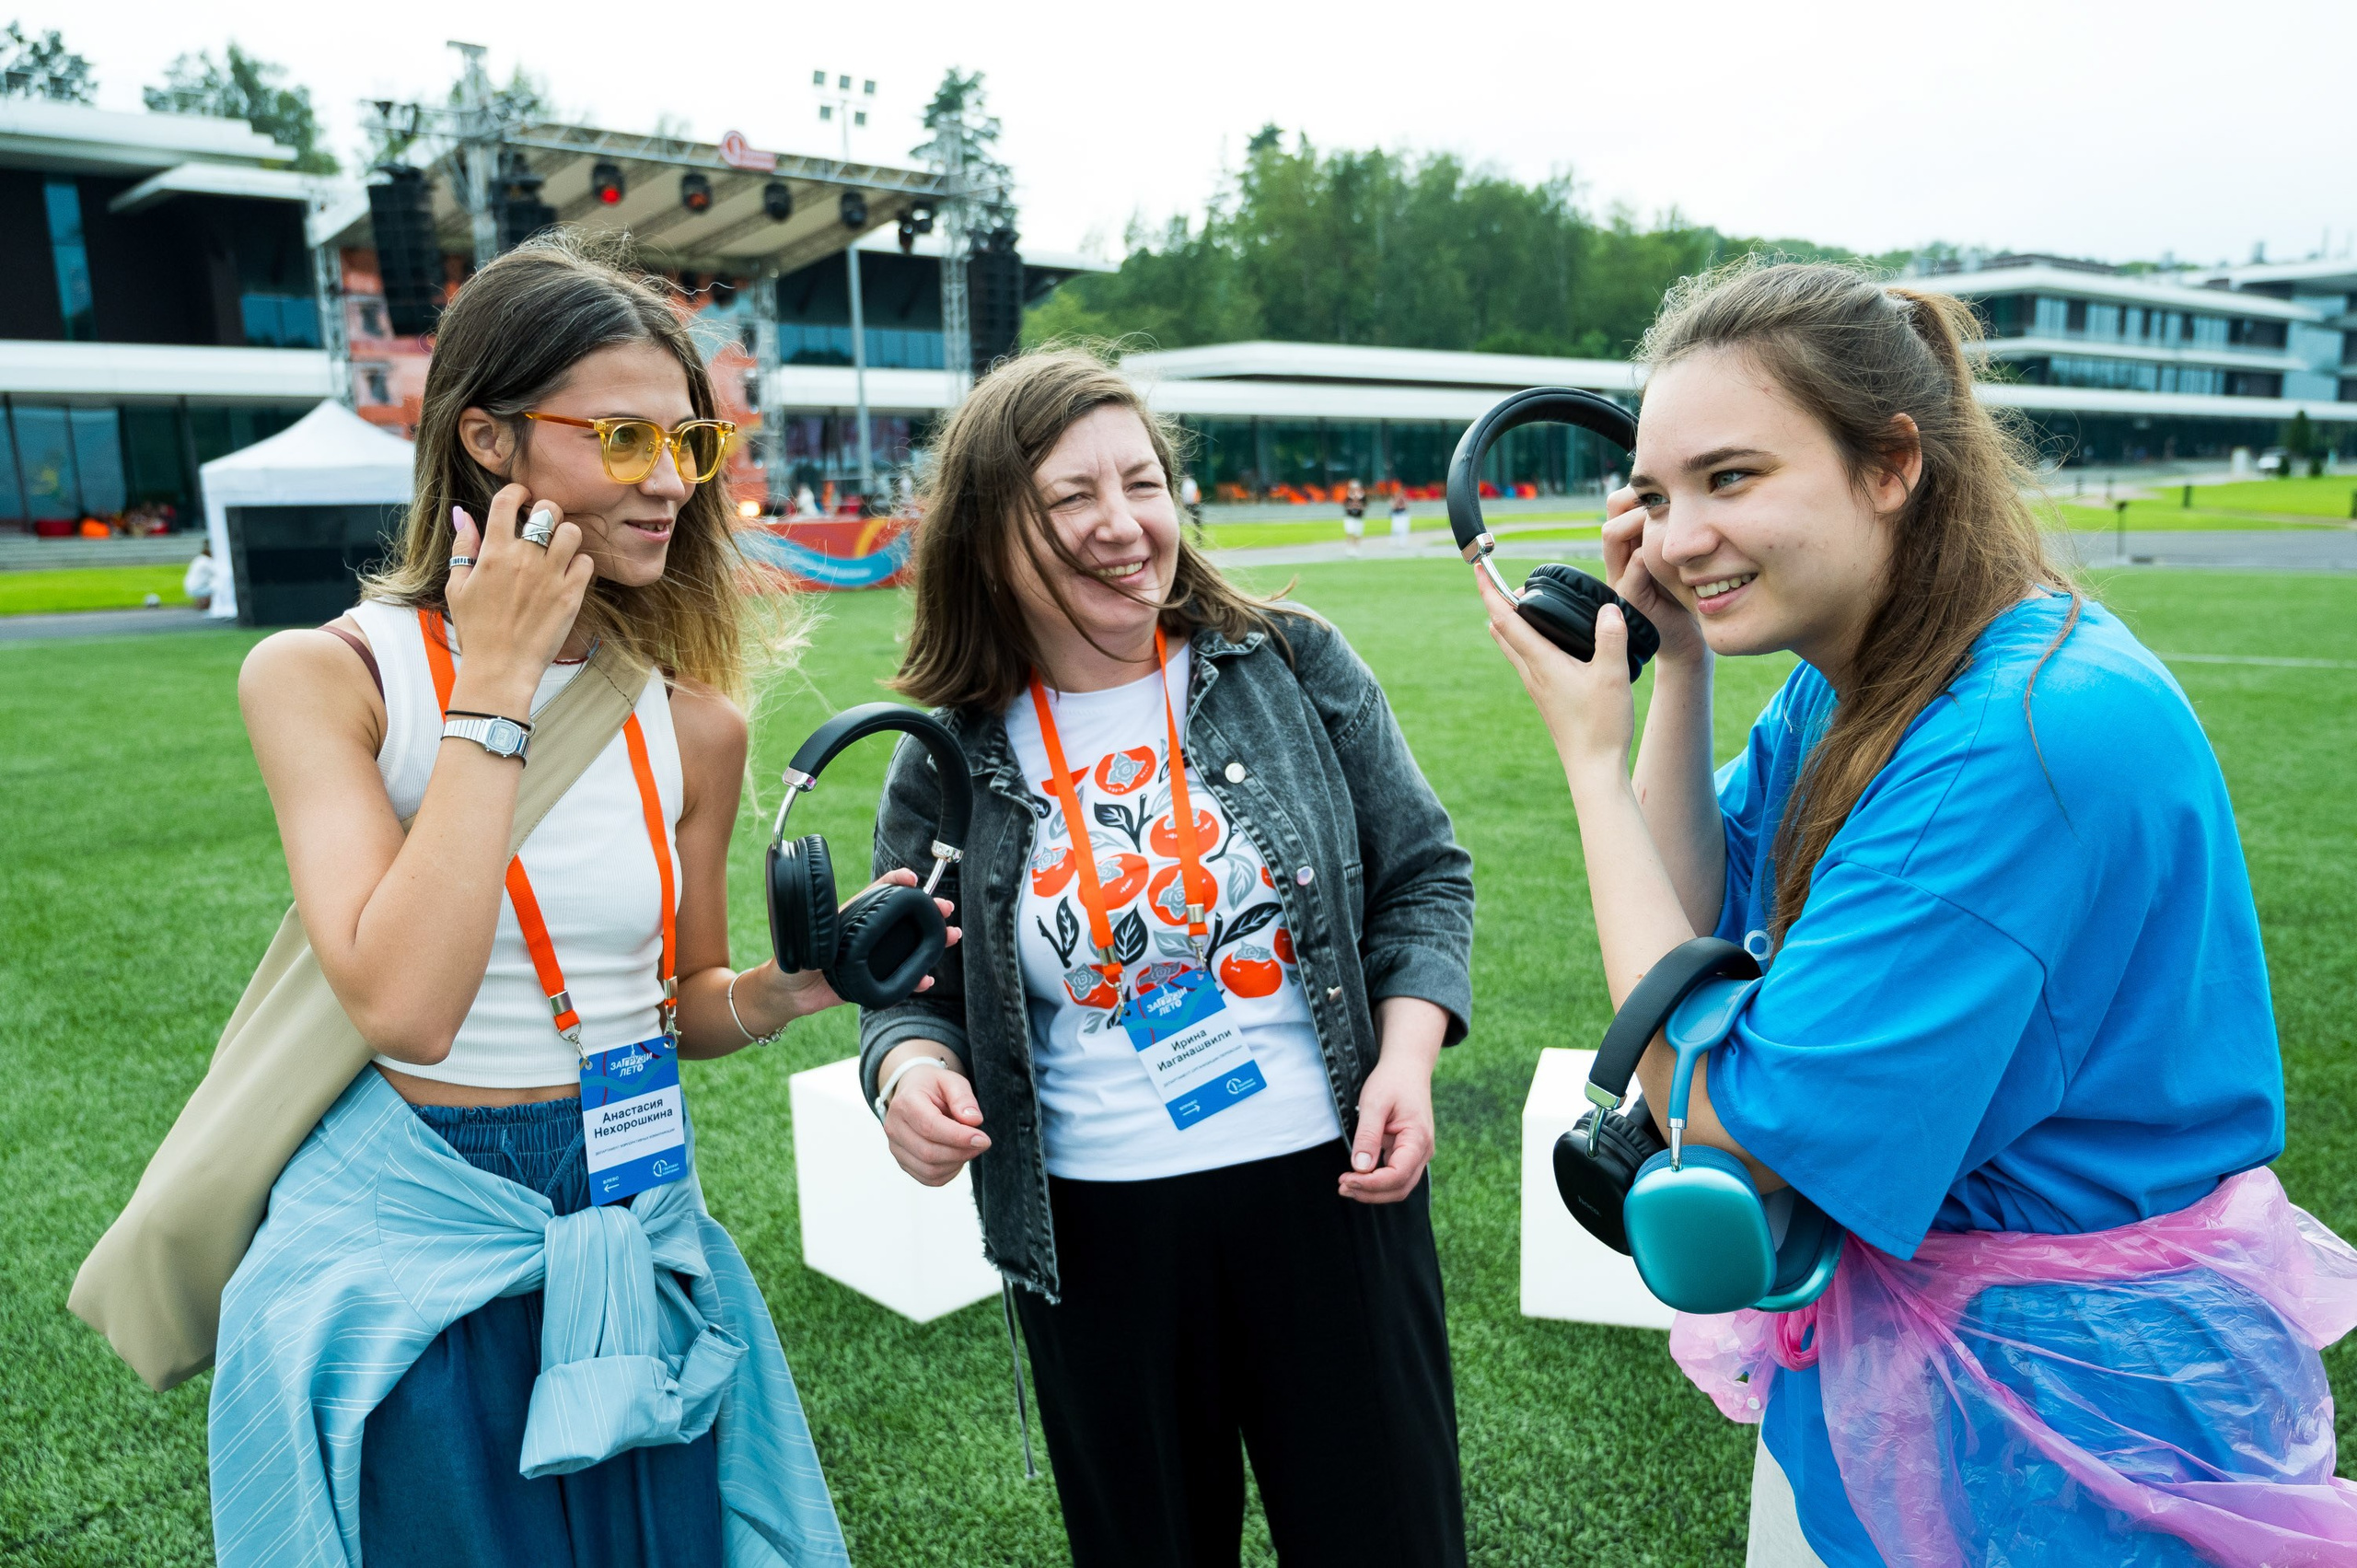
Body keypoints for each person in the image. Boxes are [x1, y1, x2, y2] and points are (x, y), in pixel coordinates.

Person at [1480, 260, 2357, 1566]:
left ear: (1893, 464)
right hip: (1964, 1365)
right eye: (1655, 498)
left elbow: (1722, 1106)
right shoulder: (1874, 671)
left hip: (2067, 1426)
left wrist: (1591, 767)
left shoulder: (2014, 737)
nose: (1673, 535)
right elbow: (1699, 903)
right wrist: (1663, 670)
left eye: (1731, 478)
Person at [212, 238, 946, 1566]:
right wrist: (494, 687)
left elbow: (686, 1005)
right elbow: (409, 1006)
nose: (668, 480)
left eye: (690, 443)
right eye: (620, 437)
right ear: (486, 438)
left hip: (636, 1215)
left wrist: (796, 985)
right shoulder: (329, 680)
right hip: (417, 1251)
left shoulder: (696, 727)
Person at [863, 349, 1476, 1567]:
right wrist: (903, 1072)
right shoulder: (948, 750)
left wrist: (1407, 1057)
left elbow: (1423, 872)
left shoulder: (1289, 660)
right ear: (989, 535)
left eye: (1141, 482)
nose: (1122, 524)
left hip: (1332, 1190)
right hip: (1096, 1235)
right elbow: (907, 982)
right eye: (1071, 497)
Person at [182, 540, 215, 610]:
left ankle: (201, 602)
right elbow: (217, 572)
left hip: (190, 587)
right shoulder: (206, 561)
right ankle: (208, 603)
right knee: (218, 585)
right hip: (197, 588)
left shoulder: (199, 559)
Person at [1340, 475, 1366, 554]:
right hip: (1350, 517)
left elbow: (1365, 505)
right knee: (1350, 532)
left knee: (1357, 533)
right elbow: (1345, 506)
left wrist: (1358, 504)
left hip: (1358, 517)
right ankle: (1349, 548)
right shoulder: (1348, 496)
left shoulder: (1362, 496)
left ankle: (1356, 548)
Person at [1179, 470, 1204, 543]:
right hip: (1190, 504)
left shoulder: (1188, 483)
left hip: (1191, 504)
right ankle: (1198, 539)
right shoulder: (1190, 483)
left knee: (1195, 521)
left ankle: (1198, 539)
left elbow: (1187, 495)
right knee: (1195, 522)